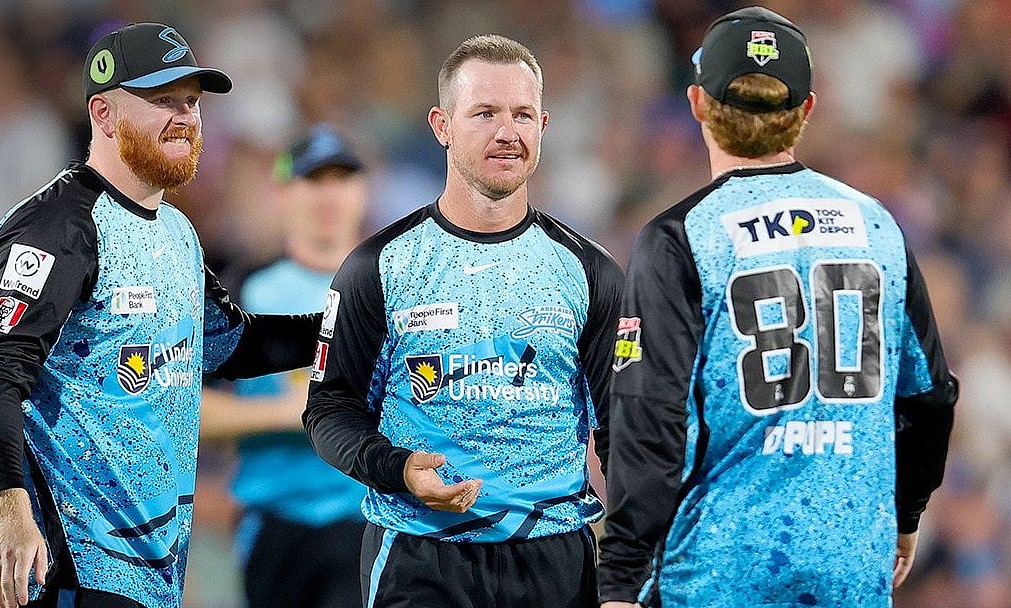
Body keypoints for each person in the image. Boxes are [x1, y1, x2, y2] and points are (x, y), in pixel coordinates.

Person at [596, 7, 958, 608]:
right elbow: (929, 397)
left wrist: (620, 576)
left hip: (715, 575)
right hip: (850, 572)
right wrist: (907, 513)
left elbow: (648, 419)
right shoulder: (877, 226)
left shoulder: (682, 238)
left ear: (698, 104)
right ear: (807, 109)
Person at [0, 23, 320, 608]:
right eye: (161, 101)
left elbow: (229, 345)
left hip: (149, 573)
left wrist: (353, 324)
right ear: (103, 114)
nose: (184, 116)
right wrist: (9, 511)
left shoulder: (177, 232)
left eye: (191, 101)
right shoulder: (59, 227)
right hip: (64, 567)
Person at [304, 34, 623, 608]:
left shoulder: (590, 271)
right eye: (485, 114)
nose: (508, 132)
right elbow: (329, 411)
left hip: (553, 560)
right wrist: (399, 471)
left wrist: (630, 568)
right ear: (442, 125)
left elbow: (624, 431)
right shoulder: (377, 268)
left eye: (523, 114)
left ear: (544, 124)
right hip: (419, 555)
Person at [200, 123, 369, 608]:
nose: (328, 195)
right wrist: (288, 414)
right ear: (282, 193)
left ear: (363, 191)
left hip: (365, 521)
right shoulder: (241, 294)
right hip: (273, 525)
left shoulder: (395, 291)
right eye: (314, 180)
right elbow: (183, 409)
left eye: (342, 179)